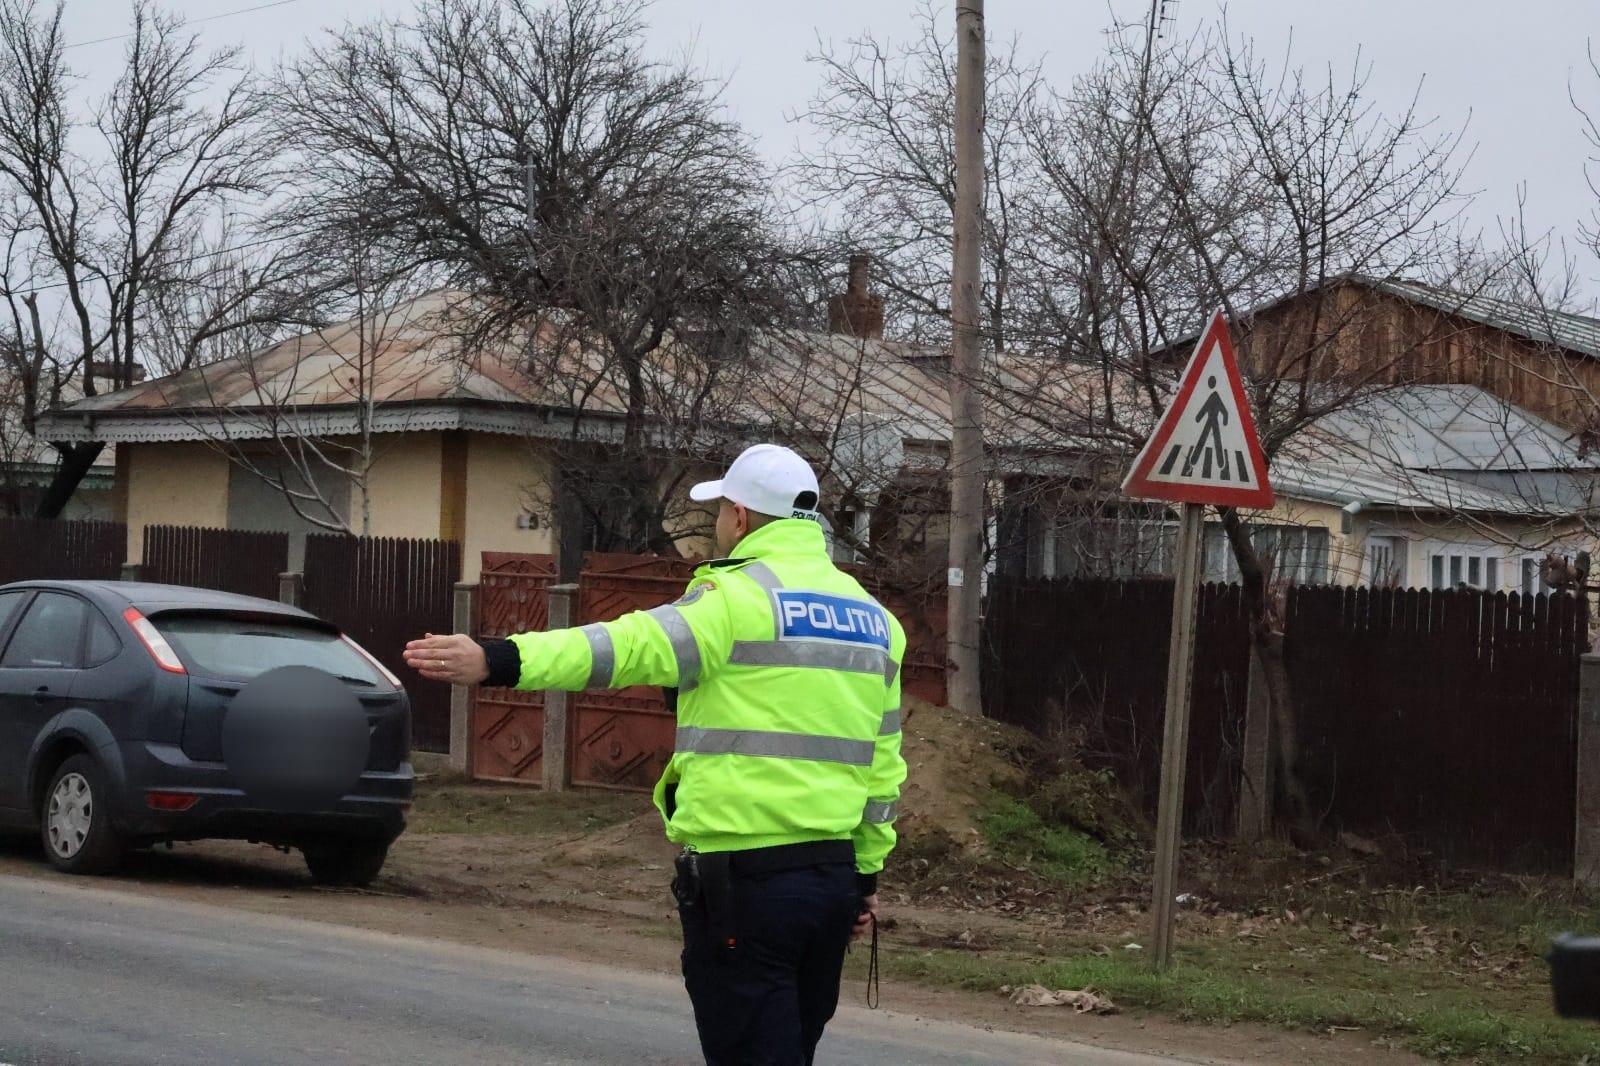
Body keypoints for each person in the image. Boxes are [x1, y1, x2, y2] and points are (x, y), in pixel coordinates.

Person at [403, 443, 908, 1066]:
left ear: (741, 517)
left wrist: (499, 658)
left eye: (720, 509)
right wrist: (863, 879)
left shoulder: (734, 600)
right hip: (829, 885)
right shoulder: (876, 621)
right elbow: (883, 770)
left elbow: (621, 647)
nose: (718, 522)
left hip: (747, 885)